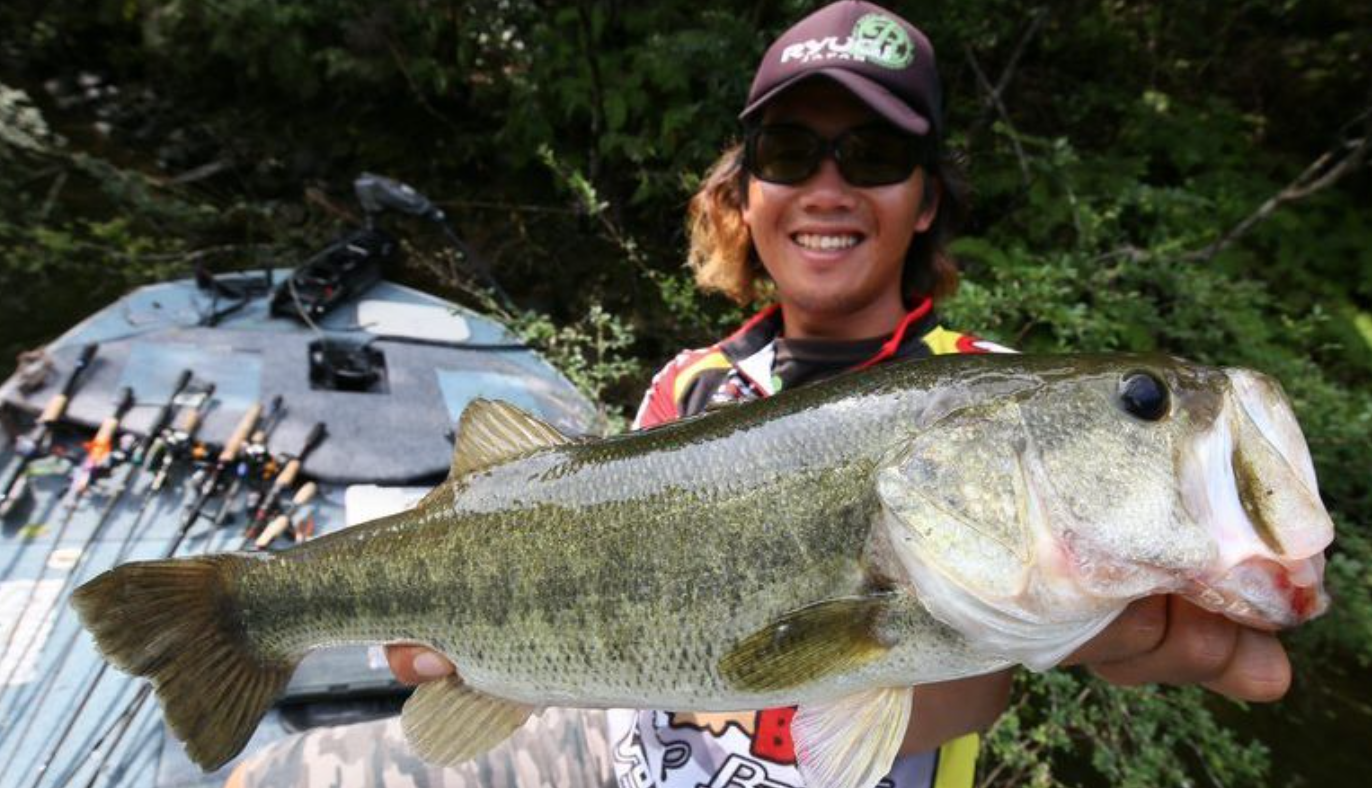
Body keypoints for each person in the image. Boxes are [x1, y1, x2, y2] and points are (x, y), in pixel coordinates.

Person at [233, 2, 1294, 786]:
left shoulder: (977, 383)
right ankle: (242, 614)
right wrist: (508, 656)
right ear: (745, 193)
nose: (828, 187)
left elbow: (948, 695)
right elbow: (631, 648)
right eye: (790, 151)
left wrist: (1070, 623)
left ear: (926, 199)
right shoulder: (688, 386)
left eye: (873, 153)